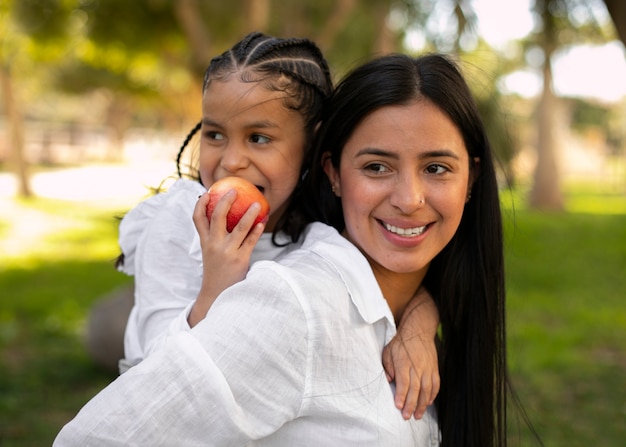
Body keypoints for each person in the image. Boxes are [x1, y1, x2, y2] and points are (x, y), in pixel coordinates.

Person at [54, 51, 505, 447]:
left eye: (437, 167)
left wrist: (424, 317)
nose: (409, 198)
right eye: (376, 166)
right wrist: (217, 286)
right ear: (332, 173)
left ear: (471, 180)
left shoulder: (370, 281)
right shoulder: (291, 304)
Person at [116, 31, 439, 420]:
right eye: (215, 134)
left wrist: (420, 325)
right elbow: (159, 370)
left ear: (312, 144)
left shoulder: (324, 225)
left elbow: (393, 285)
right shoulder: (178, 222)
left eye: (258, 137)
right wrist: (219, 280)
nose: (231, 161)